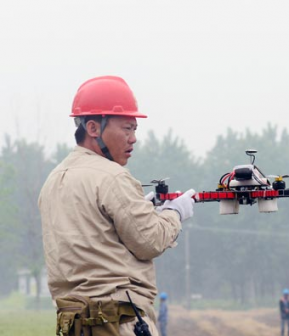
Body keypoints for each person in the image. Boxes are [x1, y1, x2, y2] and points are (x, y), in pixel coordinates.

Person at [39, 76, 195, 336]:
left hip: (73, 324)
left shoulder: (54, 180)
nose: (133, 138)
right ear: (93, 128)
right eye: (126, 128)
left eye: (135, 130)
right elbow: (150, 240)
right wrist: (174, 212)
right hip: (118, 321)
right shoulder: (112, 177)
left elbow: (94, 239)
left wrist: (139, 210)